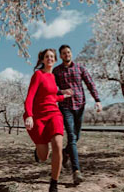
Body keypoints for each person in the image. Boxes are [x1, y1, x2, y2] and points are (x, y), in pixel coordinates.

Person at [25, 49, 75, 192]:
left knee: (58, 145)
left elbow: (52, 97)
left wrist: (63, 96)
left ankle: (54, 183)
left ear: (55, 59)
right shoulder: (38, 75)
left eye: (52, 57)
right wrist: (29, 115)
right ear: (42, 60)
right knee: (43, 157)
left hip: (54, 114)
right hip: (39, 116)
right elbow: (30, 96)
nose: (50, 59)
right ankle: (38, 151)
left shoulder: (53, 77)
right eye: (47, 57)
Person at [52, 44, 102, 185]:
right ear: (60, 56)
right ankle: (76, 172)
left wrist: (97, 100)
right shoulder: (56, 71)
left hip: (80, 105)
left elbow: (90, 83)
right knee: (72, 137)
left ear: (71, 54)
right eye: (63, 53)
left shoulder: (80, 68)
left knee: (76, 136)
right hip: (65, 106)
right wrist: (61, 92)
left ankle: (65, 153)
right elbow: (51, 88)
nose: (66, 54)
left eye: (68, 52)